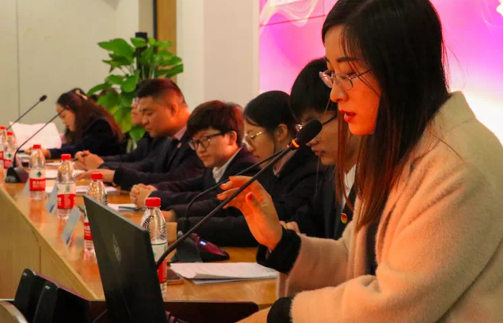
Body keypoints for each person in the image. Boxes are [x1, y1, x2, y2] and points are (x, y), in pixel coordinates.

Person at [211, 0, 503, 323]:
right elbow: (354, 260)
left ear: (401, 71)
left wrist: (279, 318)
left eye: (348, 74)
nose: (336, 94)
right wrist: (279, 240)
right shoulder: (397, 148)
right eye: (332, 74)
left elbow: (392, 306)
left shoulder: (461, 162)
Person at [163, 91, 321, 247]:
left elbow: (263, 225)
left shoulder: (310, 173)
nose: (249, 147)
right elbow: (232, 207)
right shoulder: (269, 168)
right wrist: (177, 217)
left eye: (253, 137)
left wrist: (182, 226)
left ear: (280, 132)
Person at [128, 100, 257, 210]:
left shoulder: (246, 167)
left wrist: (154, 197)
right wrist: (153, 188)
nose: (199, 149)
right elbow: (191, 184)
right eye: (195, 142)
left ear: (231, 137)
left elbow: (213, 201)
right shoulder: (217, 163)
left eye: (205, 140)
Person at [79, 79, 204, 189]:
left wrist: (115, 175)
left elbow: (176, 180)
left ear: (172, 109)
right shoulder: (170, 138)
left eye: (148, 114)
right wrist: (105, 168)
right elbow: (148, 166)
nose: (144, 121)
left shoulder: (199, 139)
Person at [285, 58, 361, 239]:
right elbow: (307, 224)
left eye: (314, 125)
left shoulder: (384, 181)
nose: (309, 141)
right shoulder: (330, 176)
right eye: (303, 127)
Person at [32, 89, 125, 159]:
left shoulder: (101, 125)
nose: (63, 121)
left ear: (76, 110)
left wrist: (48, 152)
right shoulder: (84, 126)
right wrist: (44, 150)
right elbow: (72, 146)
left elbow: (79, 149)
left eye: (64, 116)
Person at [76, 96, 163, 170]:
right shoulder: (148, 135)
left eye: (138, 101)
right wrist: (91, 159)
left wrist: (102, 165)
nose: (132, 105)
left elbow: (146, 167)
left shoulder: (101, 124)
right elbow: (130, 158)